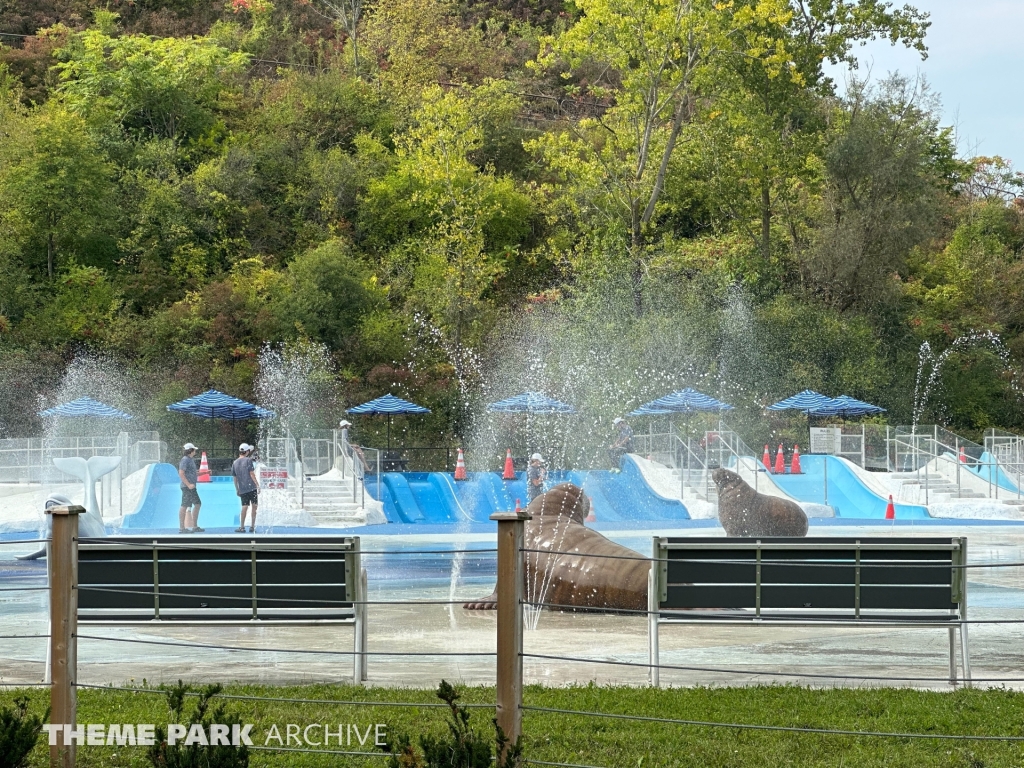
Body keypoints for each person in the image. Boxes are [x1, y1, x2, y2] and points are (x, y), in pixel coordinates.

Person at [232, 443, 259, 533]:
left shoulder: (235, 462)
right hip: (252, 487)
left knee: (244, 506)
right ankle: (252, 526)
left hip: (242, 488)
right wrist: (257, 484)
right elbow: (251, 473)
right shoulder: (248, 460)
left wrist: (237, 489)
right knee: (254, 506)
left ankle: (242, 527)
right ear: (247, 451)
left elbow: (235, 478)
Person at [177, 443, 203, 533]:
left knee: (197, 504)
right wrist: (188, 484)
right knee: (185, 505)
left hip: (191, 487)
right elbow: (181, 473)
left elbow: (193, 473)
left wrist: (205, 473)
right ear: (191, 450)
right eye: (194, 450)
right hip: (187, 487)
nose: (195, 451)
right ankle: (182, 528)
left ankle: (194, 526)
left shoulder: (190, 460)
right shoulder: (185, 460)